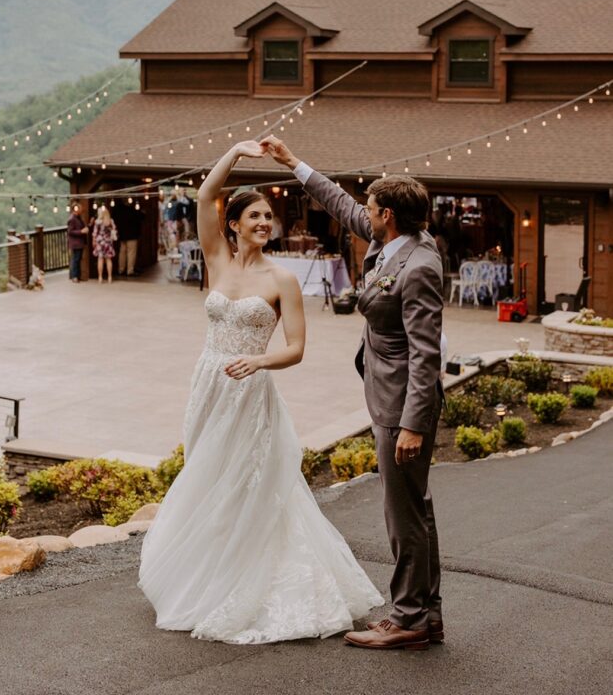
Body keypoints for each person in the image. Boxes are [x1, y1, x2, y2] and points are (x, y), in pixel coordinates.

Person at [138, 141, 382, 643]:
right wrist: (236, 152)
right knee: (207, 475)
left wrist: (258, 360)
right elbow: (206, 196)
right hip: (207, 383)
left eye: (269, 215)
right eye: (255, 215)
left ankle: (249, 580)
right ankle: (205, 575)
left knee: (247, 483)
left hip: (250, 390)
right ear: (234, 224)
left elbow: (295, 348)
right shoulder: (217, 259)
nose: (265, 222)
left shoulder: (283, 280)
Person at [264, 136, 444, 652]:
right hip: (388, 396)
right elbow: (340, 203)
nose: (362, 214)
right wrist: (292, 163)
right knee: (416, 508)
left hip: (402, 405)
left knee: (402, 513)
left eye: (370, 208)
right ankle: (426, 613)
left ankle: (407, 618)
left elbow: (426, 354)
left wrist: (411, 423)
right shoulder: (398, 240)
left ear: (386, 215)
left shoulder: (420, 265)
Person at [116, 203, 144, 277]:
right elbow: (142, 217)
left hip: (122, 235)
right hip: (132, 235)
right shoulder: (134, 211)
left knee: (122, 253)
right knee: (131, 253)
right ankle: (130, 270)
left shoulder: (120, 212)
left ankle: (121, 269)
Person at [92, 205, 117, 284]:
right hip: (108, 242)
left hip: (100, 242)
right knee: (108, 259)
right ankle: (110, 277)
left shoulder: (98, 221)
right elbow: (114, 230)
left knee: (100, 259)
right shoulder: (110, 221)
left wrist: (94, 241)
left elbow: (95, 233)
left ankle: (100, 277)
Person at [67, 204, 88, 283]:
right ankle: (74, 276)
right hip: (76, 243)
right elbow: (70, 231)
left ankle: (78, 276)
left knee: (78, 259)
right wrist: (81, 231)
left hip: (79, 242)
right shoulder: (72, 219)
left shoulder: (78, 218)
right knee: (75, 259)